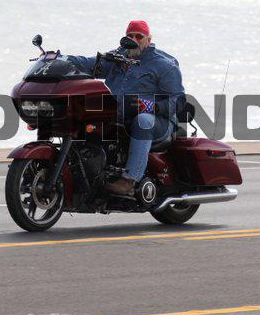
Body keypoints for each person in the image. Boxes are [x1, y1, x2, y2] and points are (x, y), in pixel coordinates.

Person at [66, 21, 185, 195]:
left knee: (143, 120)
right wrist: (59, 59)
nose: (134, 40)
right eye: (130, 36)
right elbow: (89, 63)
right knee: (80, 112)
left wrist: (153, 106)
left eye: (139, 36)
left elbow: (179, 101)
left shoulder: (164, 64)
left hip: (158, 121)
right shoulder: (118, 57)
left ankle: (129, 180)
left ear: (149, 39)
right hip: (120, 115)